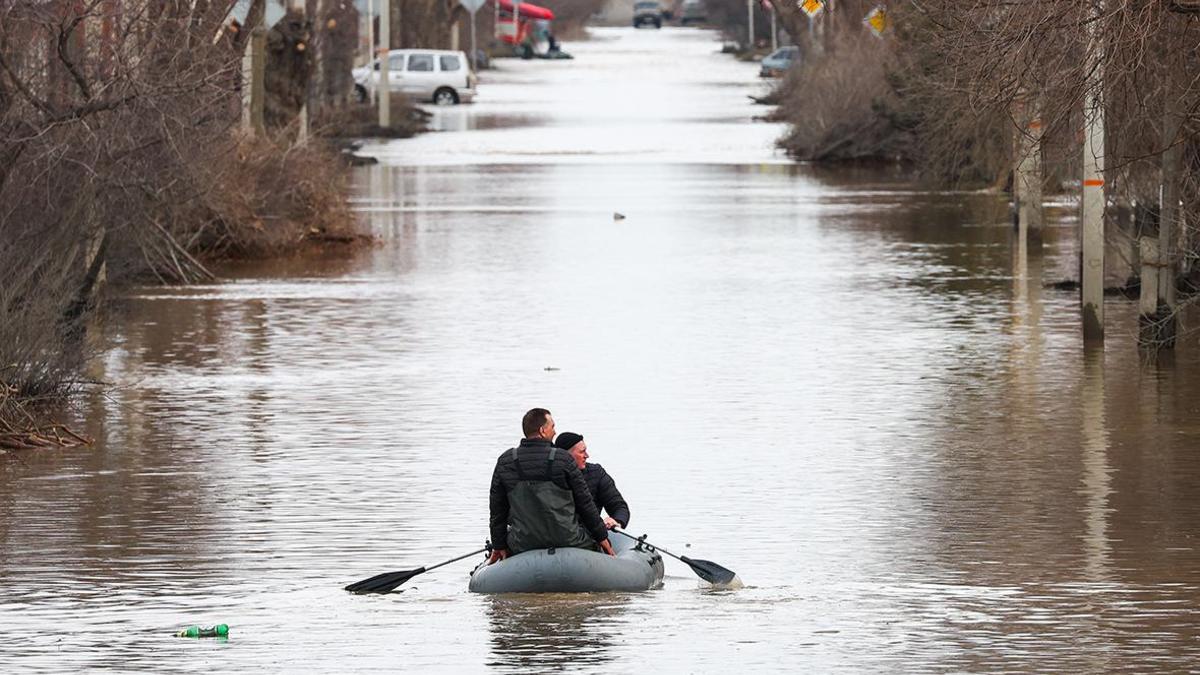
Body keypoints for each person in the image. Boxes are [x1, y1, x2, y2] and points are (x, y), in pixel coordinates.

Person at [487, 408, 615, 564]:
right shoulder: (563, 460)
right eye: (552, 427)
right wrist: (602, 538)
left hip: (522, 544)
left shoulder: (505, 461)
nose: (555, 432)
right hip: (569, 540)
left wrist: (499, 545)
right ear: (542, 430)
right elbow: (585, 503)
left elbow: (497, 510)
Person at [554, 432, 629, 531]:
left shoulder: (596, 473)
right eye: (582, 452)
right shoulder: (551, 474)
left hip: (591, 534)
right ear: (566, 455)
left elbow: (619, 506)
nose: (587, 455)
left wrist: (617, 521)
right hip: (561, 534)